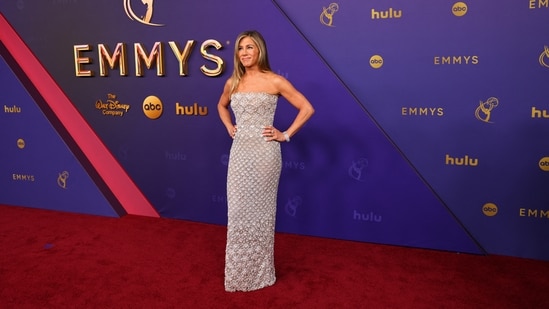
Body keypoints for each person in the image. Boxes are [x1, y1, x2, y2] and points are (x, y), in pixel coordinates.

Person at [217, 30, 314, 292]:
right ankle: (239, 273)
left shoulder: (275, 81)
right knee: (237, 213)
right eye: (240, 48)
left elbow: (307, 108)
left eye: (250, 47)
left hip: (265, 155)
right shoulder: (233, 82)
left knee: (261, 213)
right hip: (239, 155)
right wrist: (229, 126)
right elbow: (221, 106)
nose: (245, 52)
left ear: (260, 50)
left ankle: (260, 273)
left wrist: (285, 134)